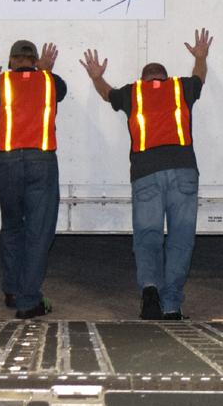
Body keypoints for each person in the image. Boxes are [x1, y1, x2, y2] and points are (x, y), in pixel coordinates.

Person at [80, 29, 212, 320]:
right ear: (165, 77)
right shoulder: (182, 88)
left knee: (148, 236)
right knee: (180, 238)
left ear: (143, 79)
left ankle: (150, 288)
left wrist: (96, 76)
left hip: (145, 174)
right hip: (183, 171)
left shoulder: (132, 92)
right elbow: (200, 77)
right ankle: (172, 305)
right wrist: (200, 57)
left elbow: (107, 94)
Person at [0, 38, 65, 319]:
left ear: (11, 61)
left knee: (12, 227)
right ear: (35, 60)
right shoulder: (53, 82)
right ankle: (28, 301)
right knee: (38, 233)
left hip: (7, 162)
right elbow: (58, 91)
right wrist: (46, 70)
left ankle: (12, 290)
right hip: (41, 161)